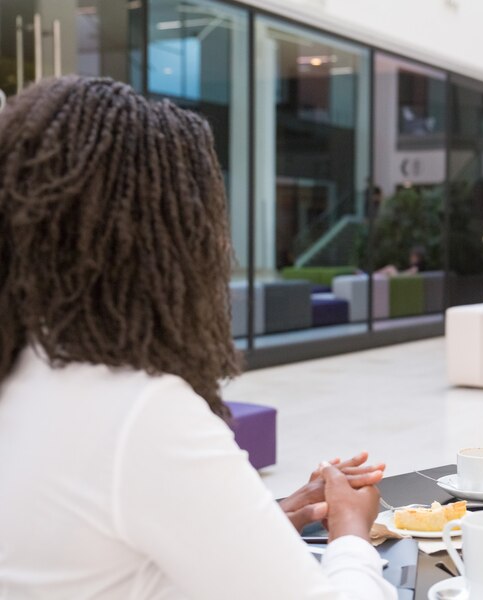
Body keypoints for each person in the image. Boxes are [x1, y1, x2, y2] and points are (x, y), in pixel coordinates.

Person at [0, 76, 396, 599]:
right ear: (171, 239)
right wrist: (352, 535)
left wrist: (259, 522)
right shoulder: (138, 409)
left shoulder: (24, 373)